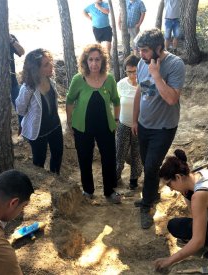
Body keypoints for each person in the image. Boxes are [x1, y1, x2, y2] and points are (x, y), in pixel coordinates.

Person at [132, 28, 185, 229]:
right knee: (148, 164)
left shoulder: (175, 64)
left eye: (145, 50)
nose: (141, 54)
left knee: (152, 166)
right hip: (144, 124)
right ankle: (152, 195)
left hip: (163, 127)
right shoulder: (141, 63)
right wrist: (135, 120)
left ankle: (147, 206)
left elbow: (172, 98)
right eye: (139, 50)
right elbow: (140, 91)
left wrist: (156, 74)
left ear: (158, 48)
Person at [66, 44, 121, 204]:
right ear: (85, 61)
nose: (94, 63)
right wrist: (69, 121)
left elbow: (116, 101)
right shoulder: (78, 79)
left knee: (109, 158)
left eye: (97, 59)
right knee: (84, 158)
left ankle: (109, 191)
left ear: (102, 61)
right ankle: (88, 190)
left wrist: (116, 120)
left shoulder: (109, 79)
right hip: (83, 127)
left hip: (105, 127)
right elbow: (69, 100)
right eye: (91, 59)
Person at [16, 49, 63, 174]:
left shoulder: (50, 80)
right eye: (46, 64)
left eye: (50, 62)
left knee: (58, 154)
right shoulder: (28, 88)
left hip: (55, 126)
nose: (51, 66)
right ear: (36, 69)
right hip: (38, 131)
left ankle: (56, 178)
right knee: (39, 161)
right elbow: (20, 108)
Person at [115, 54, 142, 190]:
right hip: (123, 124)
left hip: (140, 125)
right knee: (120, 152)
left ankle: (133, 180)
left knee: (137, 154)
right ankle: (116, 177)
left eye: (135, 71)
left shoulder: (145, 84)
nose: (132, 75)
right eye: (129, 71)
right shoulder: (120, 84)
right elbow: (114, 103)